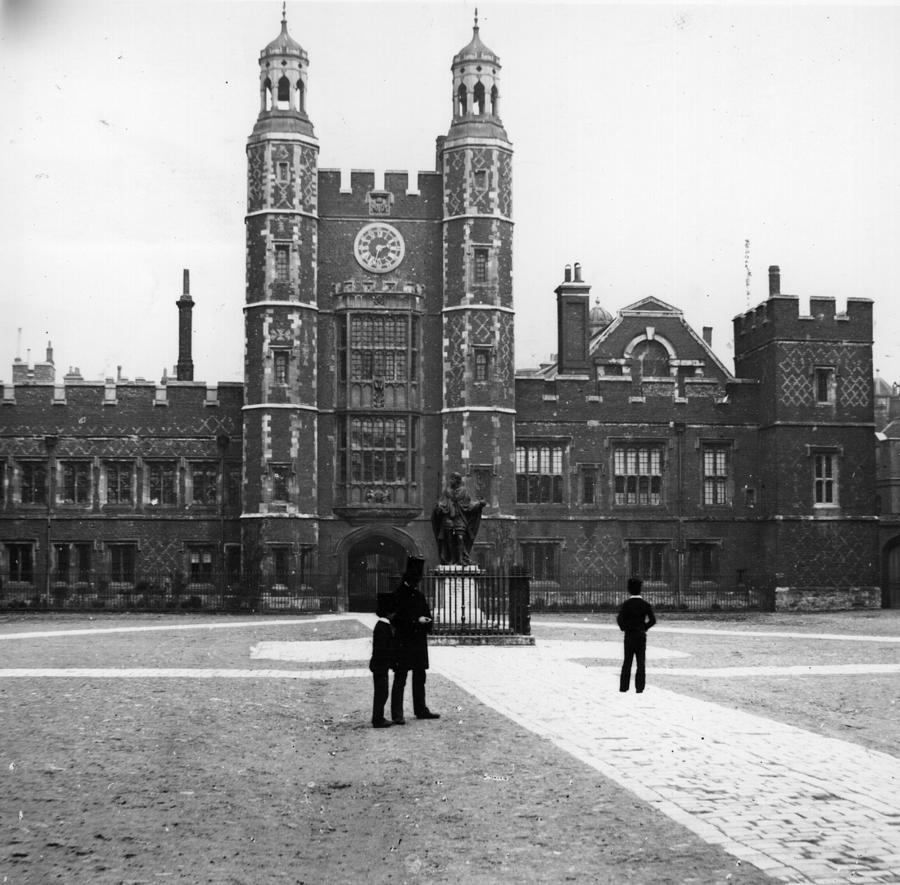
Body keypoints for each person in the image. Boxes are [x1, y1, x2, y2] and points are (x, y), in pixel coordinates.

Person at [390, 556, 440, 723]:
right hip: (404, 642)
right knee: (401, 677)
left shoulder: (419, 596)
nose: (417, 582)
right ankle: (397, 714)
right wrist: (416, 621)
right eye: (415, 579)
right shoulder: (398, 595)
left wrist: (427, 621)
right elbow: (395, 620)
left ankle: (421, 709)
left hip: (418, 642)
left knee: (420, 676)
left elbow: (427, 616)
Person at [431, 472, 486, 565]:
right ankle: (451, 560)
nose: (450, 481)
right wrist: (438, 508)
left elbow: (469, 505)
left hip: (459, 518)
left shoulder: (463, 492)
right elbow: (442, 503)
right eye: (450, 479)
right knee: (449, 540)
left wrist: (479, 505)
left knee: (460, 538)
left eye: (452, 479)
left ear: (457, 480)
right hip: (448, 518)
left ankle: (461, 560)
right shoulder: (446, 492)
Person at [616, 576, 656, 693]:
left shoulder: (626, 604)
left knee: (627, 662)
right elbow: (653, 620)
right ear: (640, 589)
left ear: (629, 589)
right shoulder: (645, 604)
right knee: (641, 663)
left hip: (629, 636)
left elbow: (619, 619)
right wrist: (644, 627)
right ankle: (639, 688)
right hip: (640, 636)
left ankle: (624, 687)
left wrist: (625, 628)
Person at [369, 593, 396, 728]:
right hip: (380, 665)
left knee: (382, 692)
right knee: (382, 692)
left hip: (380, 664)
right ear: (388, 613)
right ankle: (377, 719)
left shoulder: (382, 626)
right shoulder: (383, 627)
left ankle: (378, 717)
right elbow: (383, 648)